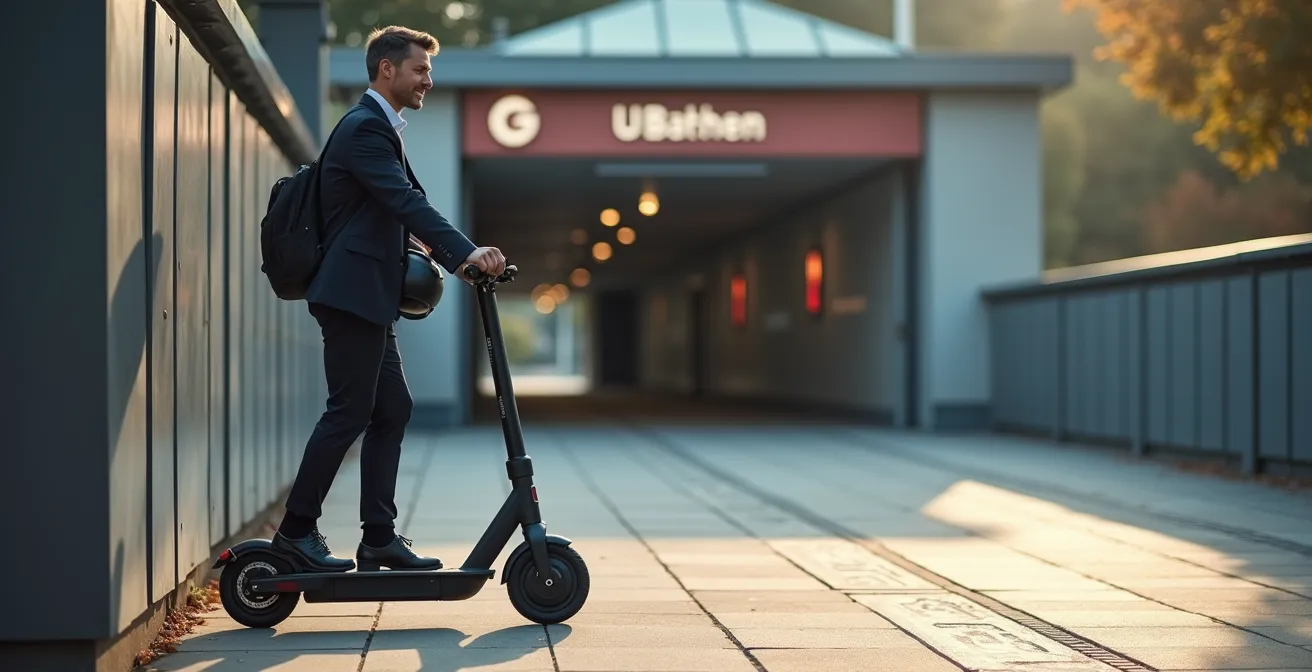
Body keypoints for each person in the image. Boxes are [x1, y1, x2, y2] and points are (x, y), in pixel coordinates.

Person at [272, 25, 506, 573]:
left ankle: (378, 536)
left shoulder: (379, 128)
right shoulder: (364, 130)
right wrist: (463, 253)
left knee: (391, 408)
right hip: (351, 295)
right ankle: (295, 532)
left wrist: (458, 261)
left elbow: (403, 207)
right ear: (387, 70)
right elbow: (402, 201)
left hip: (365, 295)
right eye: (420, 69)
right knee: (349, 410)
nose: (429, 79)